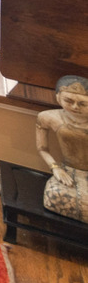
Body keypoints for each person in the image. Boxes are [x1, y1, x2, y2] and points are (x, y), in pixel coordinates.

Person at [37, 75, 88, 221]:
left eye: (82, 104)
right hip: (68, 171)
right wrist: (56, 168)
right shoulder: (48, 117)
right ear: (58, 97)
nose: (75, 107)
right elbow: (42, 148)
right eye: (69, 101)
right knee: (55, 196)